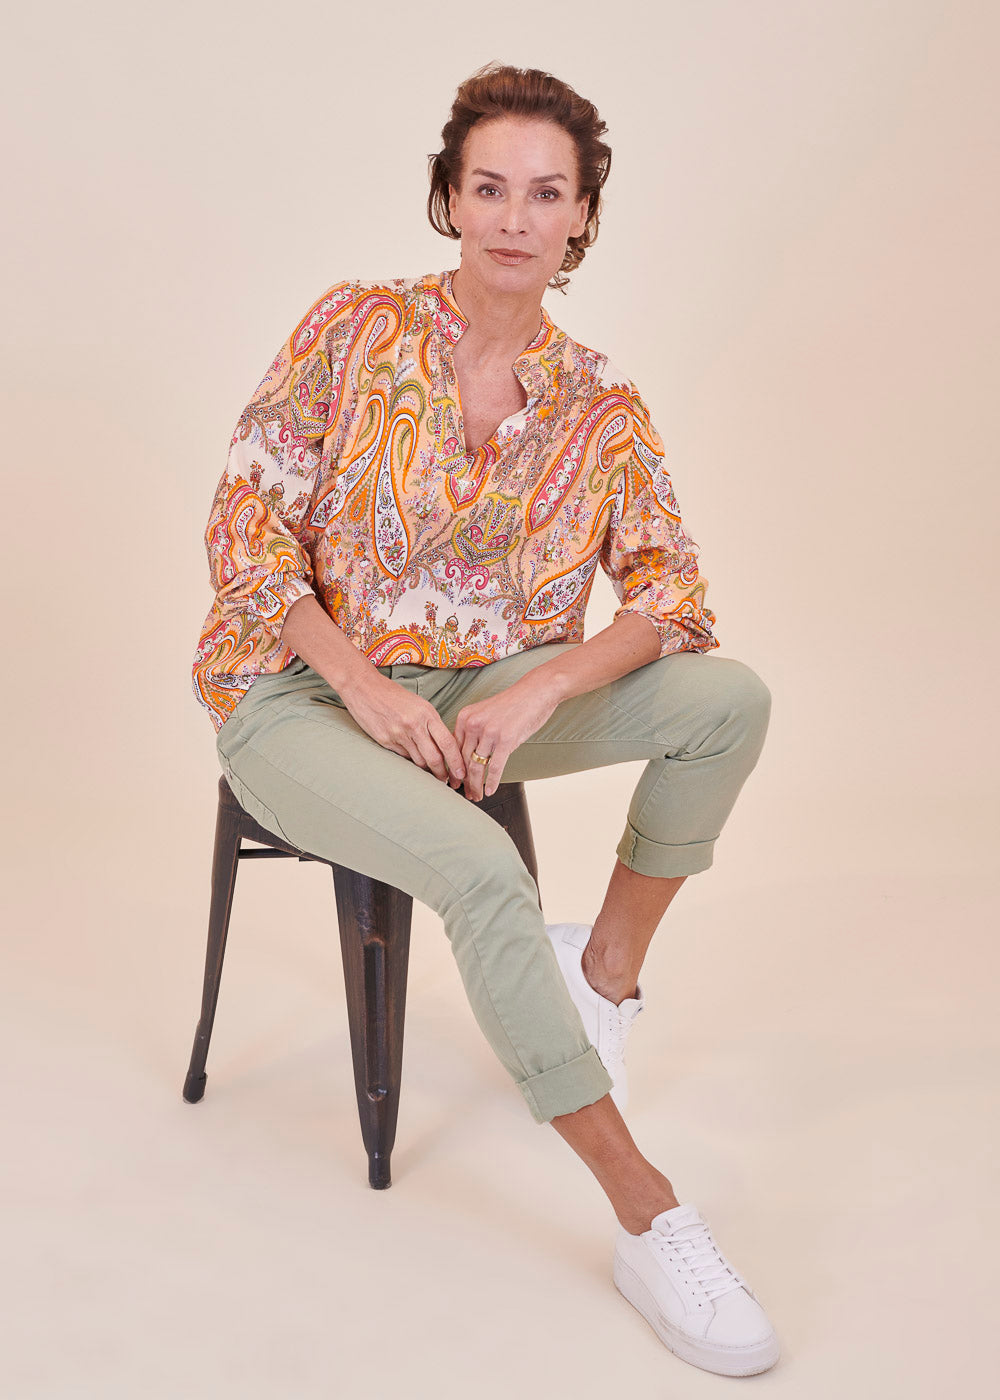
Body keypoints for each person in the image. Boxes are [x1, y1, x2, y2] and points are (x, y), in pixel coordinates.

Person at [191, 62, 778, 1378]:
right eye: (491, 188)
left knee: (727, 702)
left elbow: (674, 597)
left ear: (582, 219)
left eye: (546, 194)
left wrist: (541, 685)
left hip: (479, 692)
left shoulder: (601, 403)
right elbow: (243, 528)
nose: (515, 218)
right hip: (296, 694)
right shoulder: (352, 327)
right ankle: (649, 1214)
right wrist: (361, 683)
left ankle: (600, 979)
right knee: (481, 868)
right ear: (451, 199)